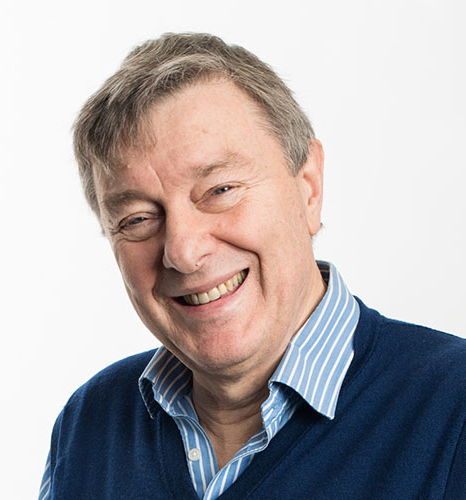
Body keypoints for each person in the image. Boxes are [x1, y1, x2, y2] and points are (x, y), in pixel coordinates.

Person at [38, 33, 466, 500]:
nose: (183, 251)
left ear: (308, 188)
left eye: (220, 190)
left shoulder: (453, 408)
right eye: (138, 219)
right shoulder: (88, 426)